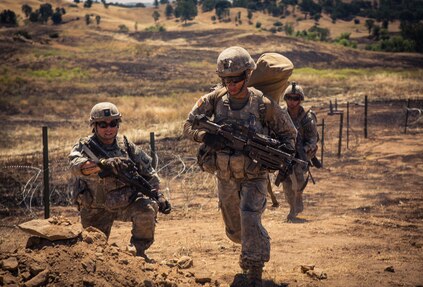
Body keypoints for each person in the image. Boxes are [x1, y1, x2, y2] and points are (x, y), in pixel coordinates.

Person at [183, 46, 297, 287]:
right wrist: (205, 137)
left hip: (254, 175)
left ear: (248, 75)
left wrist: (281, 155)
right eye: (226, 80)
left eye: (236, 79)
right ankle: (248, 247)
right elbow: (188, 126)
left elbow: (289, 133)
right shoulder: (214, 99)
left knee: (250, 217)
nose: (231, 84)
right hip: (224, 175)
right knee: (235, 231)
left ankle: (254, 271)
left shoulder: (263, 103)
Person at [69, 102, 170, 259]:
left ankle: (138, 252)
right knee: (94, 251)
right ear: (94, 126)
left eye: (113, 123)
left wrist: (158, 194)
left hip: (124, 202)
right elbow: (76, 166)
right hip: (96, 208)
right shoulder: (86, 145)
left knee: (147, 209)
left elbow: (148, 171)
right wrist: (102, 165)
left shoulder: (125, 145)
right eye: (103, 124)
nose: (108, 128)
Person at [282, 82, 319, 222]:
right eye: (289, 98)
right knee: (285, 180)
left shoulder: (308, 117)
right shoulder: (281, 114)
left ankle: (297, 199)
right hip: (285, 151)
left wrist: (304, 150)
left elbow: (312, 139)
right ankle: (292, 207)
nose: (292, 102)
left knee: (298, 177)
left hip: (302, 153)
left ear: (300, 99)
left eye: (296, 98)